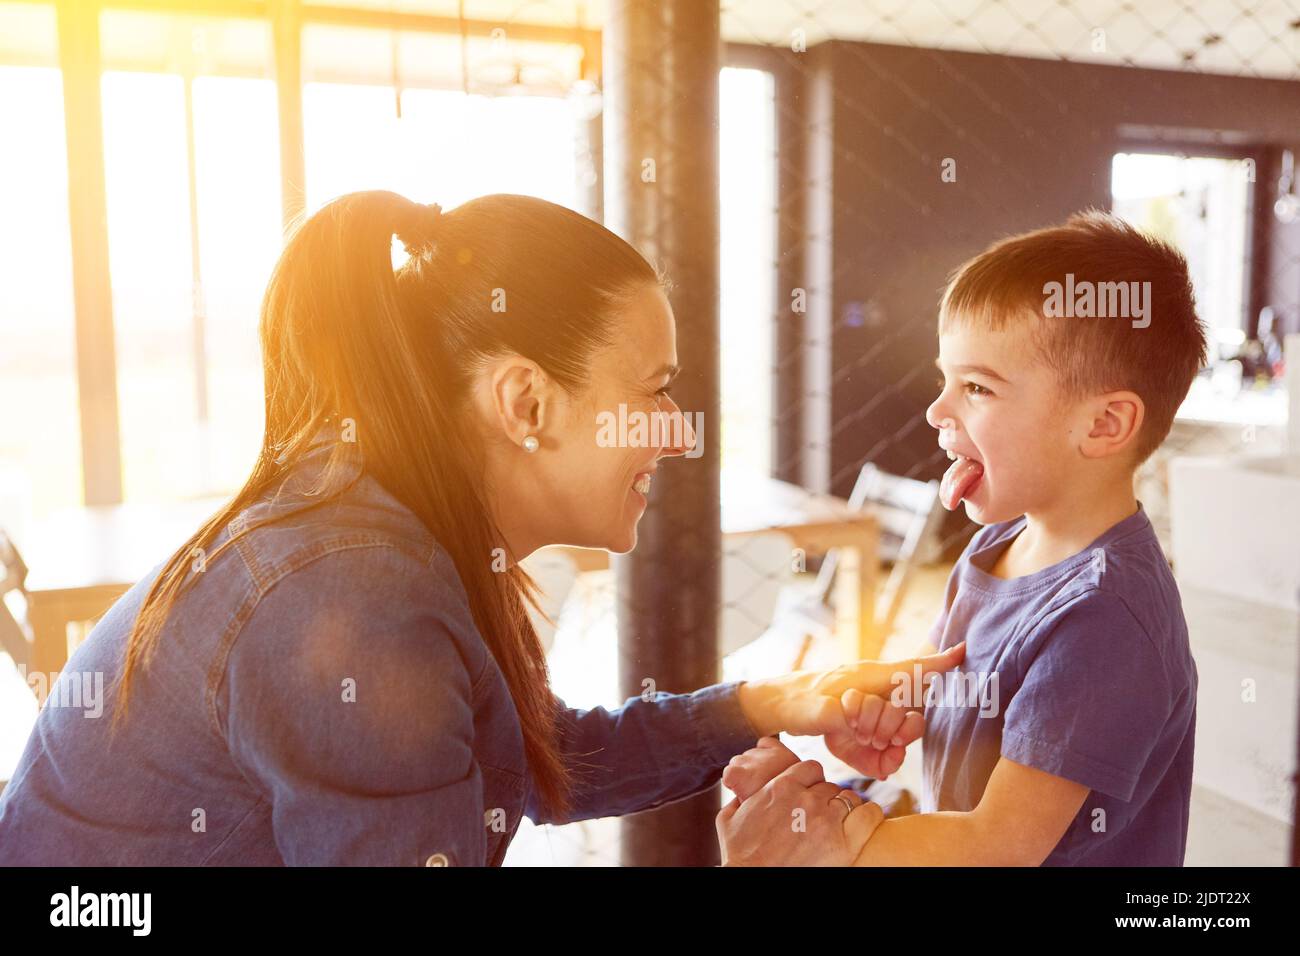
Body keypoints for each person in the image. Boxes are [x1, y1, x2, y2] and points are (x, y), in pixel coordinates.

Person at [0, 190, 962, 865]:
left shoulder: (390, 527)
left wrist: (774, 704)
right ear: (526, 402)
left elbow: (526, 757)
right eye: (656, 390)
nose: (676, 433)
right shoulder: (351, 599)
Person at [719, 211, 1204, 866]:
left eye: (977, 387)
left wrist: (822, 836)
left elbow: (994, 848)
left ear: (1104, 425)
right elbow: (937, 684)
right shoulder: (994, 547)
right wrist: (888, 711)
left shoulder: (1105, 618)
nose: (937, 410)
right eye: (946, 379)